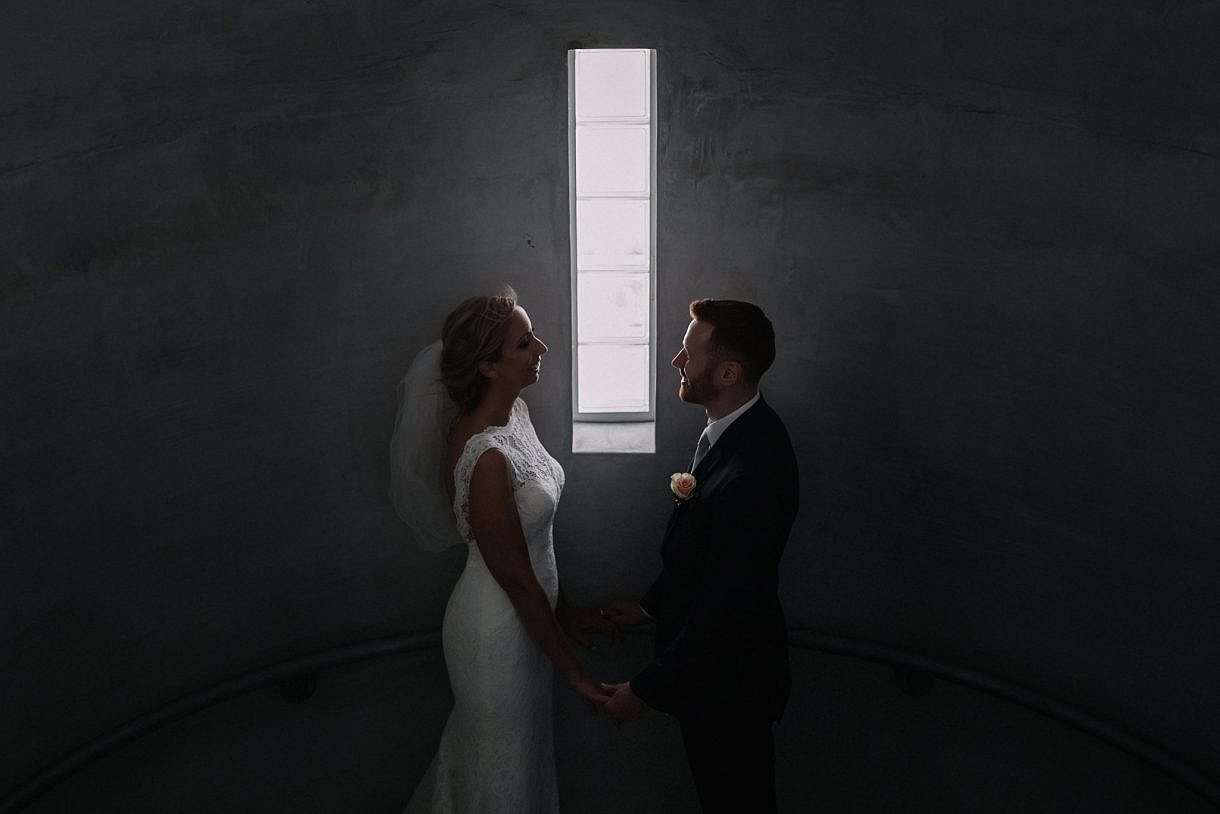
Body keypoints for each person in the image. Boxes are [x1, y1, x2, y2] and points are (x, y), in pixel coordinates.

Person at [390, 286, 619, 813]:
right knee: (501, 769)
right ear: (489, 367)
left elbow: (535, 546)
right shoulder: (485, 457)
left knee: (520, 763)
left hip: (531, 623)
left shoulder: (515, 412)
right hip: (495, 636)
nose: (541, 348)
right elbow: (515, 576)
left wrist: (569, 614)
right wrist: (576, 673)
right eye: (524, 343)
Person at [599, 299, 799, 813]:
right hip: (711, 680)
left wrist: (646, 689)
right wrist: (651, 606)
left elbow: (727, 601)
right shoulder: (729, 435)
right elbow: (705, 554)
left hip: (731, 686)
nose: (676, 362)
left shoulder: (756, 468)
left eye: (689, 353)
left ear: (729, 372)